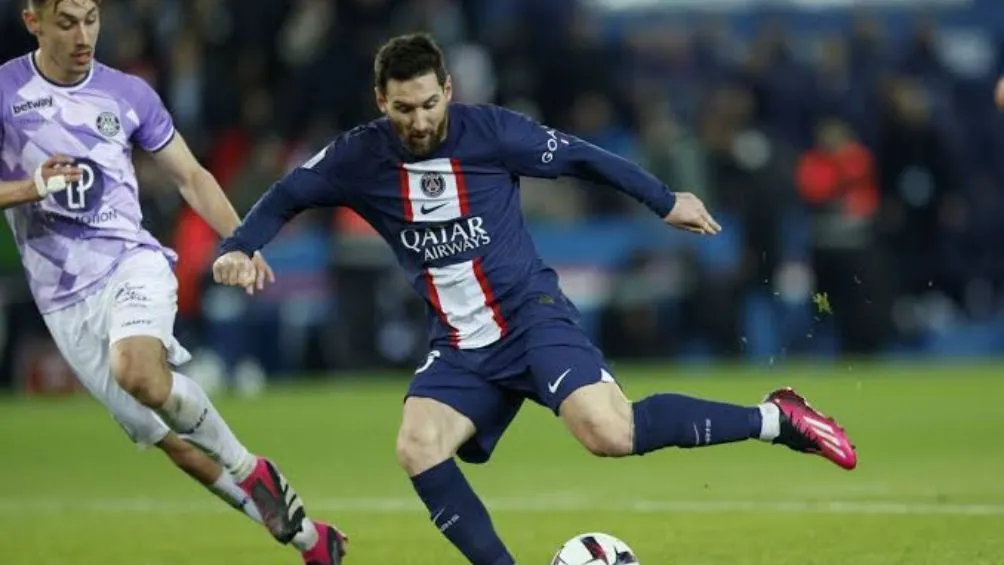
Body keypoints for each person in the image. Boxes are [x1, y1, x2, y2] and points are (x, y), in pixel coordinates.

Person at [214, 33, 857, 565]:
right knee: (417, 445)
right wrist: (241, 245)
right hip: (462, 343)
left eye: (430, 104)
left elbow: (581, 157)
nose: (419, 121)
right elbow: (289, 193)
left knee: (609, 432)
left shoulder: (492, 132)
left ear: (449, 91)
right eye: (404, 109)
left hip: (530, 316)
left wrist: (665, 201)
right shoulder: (357, 156)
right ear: (381, 100)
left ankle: (778, 419)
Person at [0, 2, 344, 563]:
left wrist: (241, 240)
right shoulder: (6, 92)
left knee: (137, 369)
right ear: (32, 20)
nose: (84, 34)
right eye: (67, 22)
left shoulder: (128, 94)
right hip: (63, 301)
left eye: (91, 18)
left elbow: (191, 175)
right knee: (175, 445)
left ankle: (250, 468)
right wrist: (28, 188)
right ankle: (309, 540)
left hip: (131, 263)